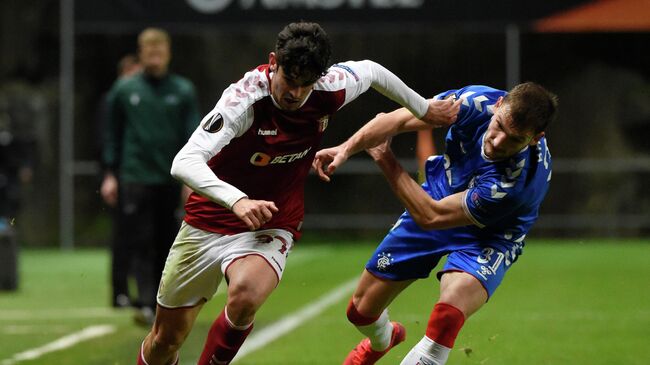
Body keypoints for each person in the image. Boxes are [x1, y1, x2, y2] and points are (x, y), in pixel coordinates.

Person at [135, 21, 457, 365]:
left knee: (245, 296)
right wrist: (237, 200)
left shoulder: (328, 88)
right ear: (274, 62)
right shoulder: (244, 100)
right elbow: (183, 161)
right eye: (290, 80)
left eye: (306, 85)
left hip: (272, 221)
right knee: (165, 341)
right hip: (208, 221)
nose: (296, 93)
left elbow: (373, 72)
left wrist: (423, 108)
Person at [313, 82, 558, 365]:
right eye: (500, 126)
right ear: (499, 105)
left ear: (534, 139)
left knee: (449, 311)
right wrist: (346, 148)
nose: (498, 141)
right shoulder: (473, 102)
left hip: (492, 234)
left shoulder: (516, 182)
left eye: (514, 139)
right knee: (360, 311)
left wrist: (384, 157)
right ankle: (383, 340)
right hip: (443, 193)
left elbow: (431, 217)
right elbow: (395, 120)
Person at [101, 28, 200, 324]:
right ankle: (145, 301)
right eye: (149, 52)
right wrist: (110, 173)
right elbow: (112, 136)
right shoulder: (124, 90)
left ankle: (163, 300)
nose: (155, 57)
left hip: (169, 178)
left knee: (168, 243)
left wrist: (190, 180)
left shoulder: (182, 91)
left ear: (168, 53)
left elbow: (193, 137)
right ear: (141, 54)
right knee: (140, 240)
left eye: (160, 51)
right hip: (135, 176)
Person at [98, 53, 141, 308]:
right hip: (121, 176)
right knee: (123, 235)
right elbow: (105, 141)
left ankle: (140, 290)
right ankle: (119, 292)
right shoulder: (112, 101)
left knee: (141, 236)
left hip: (137, 176)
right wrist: (109, 174)